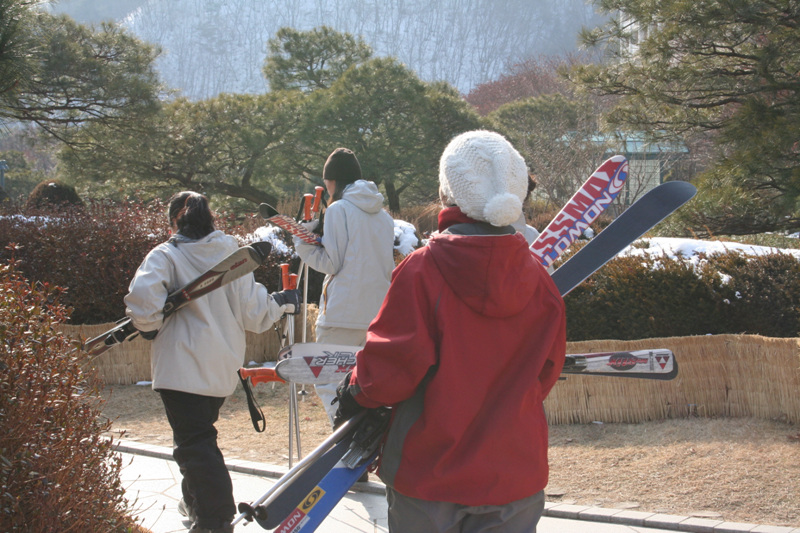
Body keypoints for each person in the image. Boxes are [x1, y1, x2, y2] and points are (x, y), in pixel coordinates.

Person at [334, 131, 567, 532]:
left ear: (447, 192)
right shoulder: (540, 281)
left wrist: (355, 392)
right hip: (514, 472)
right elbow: (546, 373)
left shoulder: (422, 270)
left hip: (429, 473)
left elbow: (391, 369)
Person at [124, 191, 300, 533]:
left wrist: (149, 327)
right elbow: (255, 314)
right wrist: (279, 302)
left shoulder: (165, 256)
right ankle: (193, 503)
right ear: (211, 220)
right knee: (197, 440)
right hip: (220, 369)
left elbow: (143, 304)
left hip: (179, 368)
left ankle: (215, 519)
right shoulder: (233, 257)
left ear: (174, 222)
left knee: (194, 445)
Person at [293, 147, 395, 426]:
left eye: (326, 182)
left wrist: (302, 241)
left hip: (341, 315)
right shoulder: (384, 217)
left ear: (333, 180)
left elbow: (331, 263)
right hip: (376, 315)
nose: (326, 188)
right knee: (363, 389)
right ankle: (364, 442)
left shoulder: (338, 209)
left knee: (329, 384)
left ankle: (346, 442)